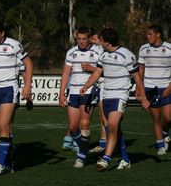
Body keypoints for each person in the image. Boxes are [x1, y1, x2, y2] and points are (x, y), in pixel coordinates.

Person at [80, 28, 150, 172]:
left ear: (107, 41)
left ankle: (106, 159)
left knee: (112, 125)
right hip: (106, 95)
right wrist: (86, 86)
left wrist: (143, 98)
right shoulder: (104, 55)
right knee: (113, 128)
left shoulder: (126, 54)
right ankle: (125, 159)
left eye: (101, 39)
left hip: (120, 95)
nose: (98, 42)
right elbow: (98, 72)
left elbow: (137, 77)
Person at [0, 21, 33, 175]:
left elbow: (28, 63)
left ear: (2, 33)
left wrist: (27, 85)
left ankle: (0, 164)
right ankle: (8, 163)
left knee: (3, 125)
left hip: (9, 88)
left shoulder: (14, 45)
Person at [58, 26, 101, 168]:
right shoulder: (71, 52)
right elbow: (65, 73)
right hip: (74, 92)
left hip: (89, 91)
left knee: (84, 124)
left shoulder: (98, 51)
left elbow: (104, 70)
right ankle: (83, 148)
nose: (81, 42)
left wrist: (91, 68)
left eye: (84, 39)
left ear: (89, 38)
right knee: (73, 127)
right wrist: (61, 93)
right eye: (79, 39)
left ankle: (81, 157)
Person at [137, 24, 171, 155]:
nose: (148, 36)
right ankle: (160, 145)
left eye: (150, 34)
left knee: (168, 118)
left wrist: (169, 87)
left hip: (166, 86)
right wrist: (139, 88)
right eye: (147, 34)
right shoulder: (144, 49)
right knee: (156, 117)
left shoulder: (169, 48)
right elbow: (140, 69)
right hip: (150, 87)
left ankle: (164, 133)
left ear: (158, 34)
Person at [88, 31, 107, 154]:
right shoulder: (96, 51)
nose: (92, 42)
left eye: (94, 39)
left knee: (106, 116)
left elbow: (109, 70)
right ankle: (103, 142)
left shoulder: (105, 51)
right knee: (102, 116)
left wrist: (92, 69)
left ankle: (109, 143)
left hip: (108, 85)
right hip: (99, 85)